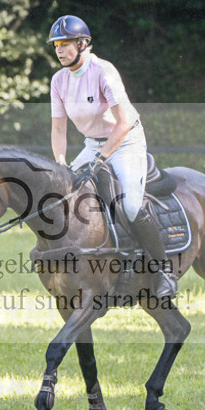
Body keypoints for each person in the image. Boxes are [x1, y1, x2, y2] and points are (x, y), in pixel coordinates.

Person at [47, 15, 177, 297]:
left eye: (65, 44)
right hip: (92, 144)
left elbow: (124, 122)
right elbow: (59, 129)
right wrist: (60, 163)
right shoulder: (58, 80)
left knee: (130, 206)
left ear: (83, 44)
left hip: (126, 141)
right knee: (65, 196)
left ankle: (164, 270)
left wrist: (100, 159)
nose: (59, 50)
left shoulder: (103, 71)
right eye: (56, 44)